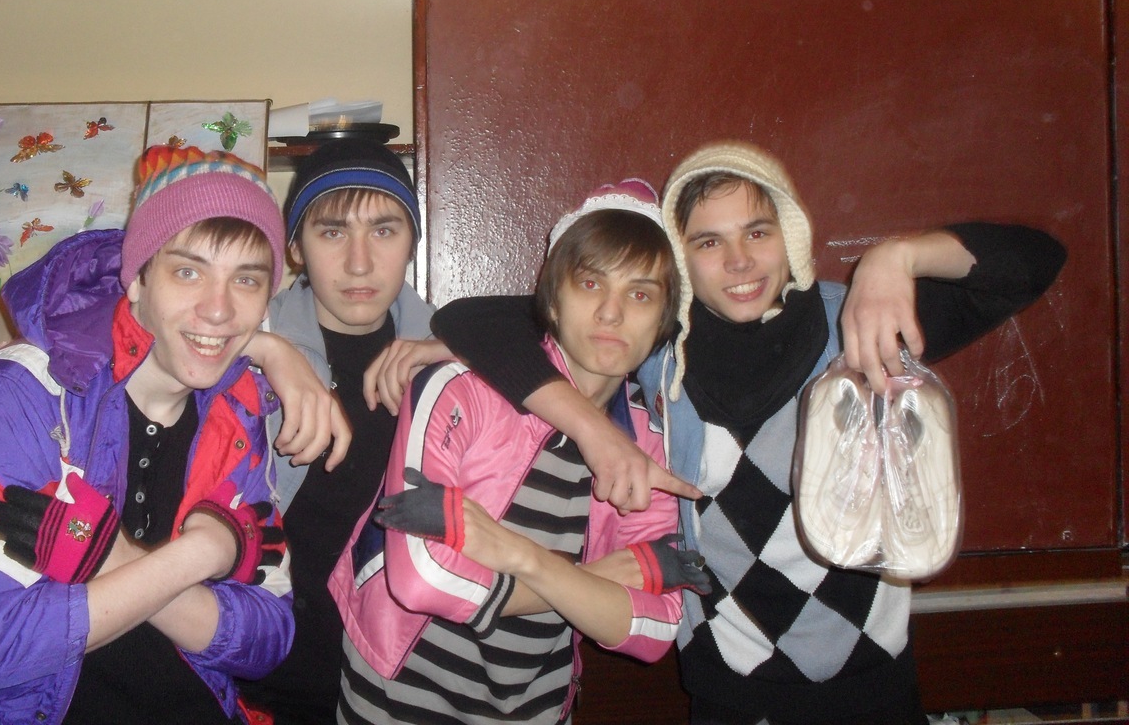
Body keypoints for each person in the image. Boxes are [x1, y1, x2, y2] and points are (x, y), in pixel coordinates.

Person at [430, 141, 1066, 725]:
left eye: (757, 232)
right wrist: (594, 430)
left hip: (873, 691)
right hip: (728, 696)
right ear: (682, 261)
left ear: (789, 235)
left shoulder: (857, 325)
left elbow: (1035, 261)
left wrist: (896, 257)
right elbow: (476, 320)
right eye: (708, 242)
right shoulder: (659, 349)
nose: (738, 260)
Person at [0, 144, 296, 725]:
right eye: (188, 271)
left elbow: (269, 637)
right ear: (138, 280)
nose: (219, 309)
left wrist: (110, 558)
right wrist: (204, 553)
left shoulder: (239, 413)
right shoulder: (20, 397)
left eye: (246, 280)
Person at [331, 180, 708, 725]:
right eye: (591, 283)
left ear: (664, 321)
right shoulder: (458, 388)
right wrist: (600, 577)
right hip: (399, 700)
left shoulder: (650, 441)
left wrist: (521, 556)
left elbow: (653, 630)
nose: (611, 312)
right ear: (552, 300)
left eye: (640, 294)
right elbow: (418, 578)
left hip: (538, 708)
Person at [241, 139, 434, 724]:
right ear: (295, 247)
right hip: (264, 680)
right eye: (332, 232)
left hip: (404, 691)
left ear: (412, 242)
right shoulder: (241, 344)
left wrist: (455, 350)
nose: (359, 262)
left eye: (384, 231)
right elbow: (135, 326)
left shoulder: (449, 361)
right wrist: (268, 348)